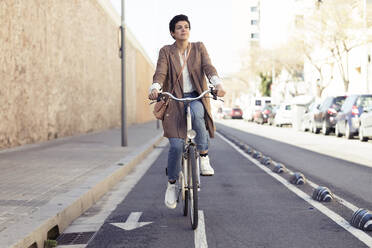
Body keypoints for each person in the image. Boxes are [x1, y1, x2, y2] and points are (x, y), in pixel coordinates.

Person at [148, 14, 226, 209]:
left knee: (197, 114)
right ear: (172, 33)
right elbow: (161, 71)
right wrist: (155, 87)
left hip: (196, 96)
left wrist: (217, 83)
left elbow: (208, 67)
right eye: (179, 27)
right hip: (174, 100)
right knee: (175, 146)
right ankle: (172, 184)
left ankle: (204, 157)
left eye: (186, 27)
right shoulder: (166, 51)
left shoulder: (199, 48)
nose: (184, 29)